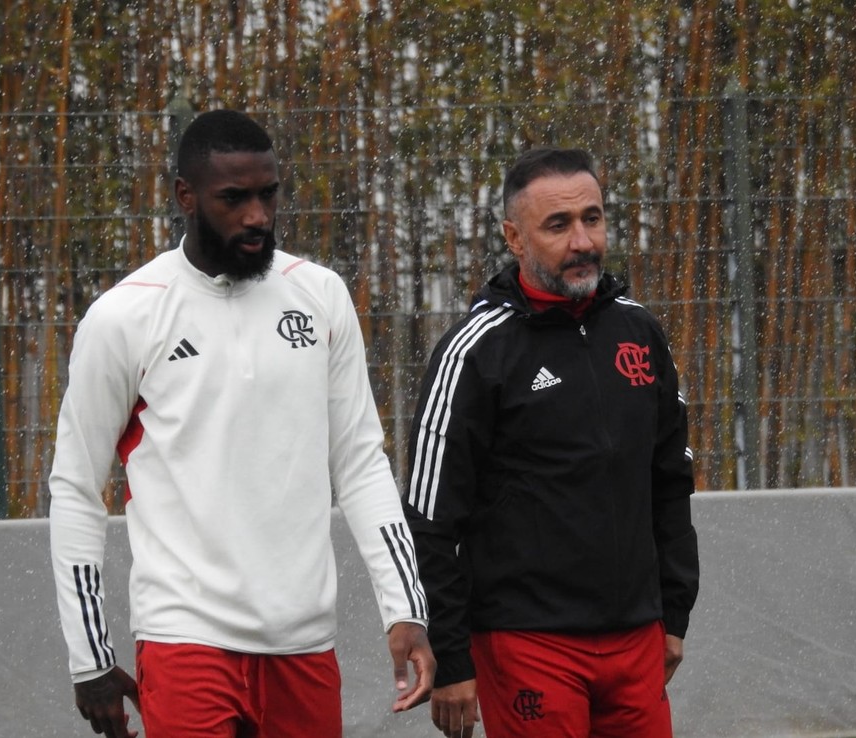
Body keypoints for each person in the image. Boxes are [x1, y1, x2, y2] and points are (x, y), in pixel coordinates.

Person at [49, 108, 434, 738]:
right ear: (185, 197)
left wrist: (405, 609)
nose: (257, 215)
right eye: (234, 198)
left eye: (267, 194)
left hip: (304, 641)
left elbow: (362, 464)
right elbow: (74, 488)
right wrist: (89, 654)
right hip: (185, 636)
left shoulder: (321, 296)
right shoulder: (125, 317)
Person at [403, 147, 699, 738]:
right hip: (526, 641)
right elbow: (430, 518)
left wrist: (674, 613)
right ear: (515, 237)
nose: (582, 241)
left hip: (637, 635)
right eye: (558, 225)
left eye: (592, 218)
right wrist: (453, 656)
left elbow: (669, 481)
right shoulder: (475, 350)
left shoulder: (640, 331)